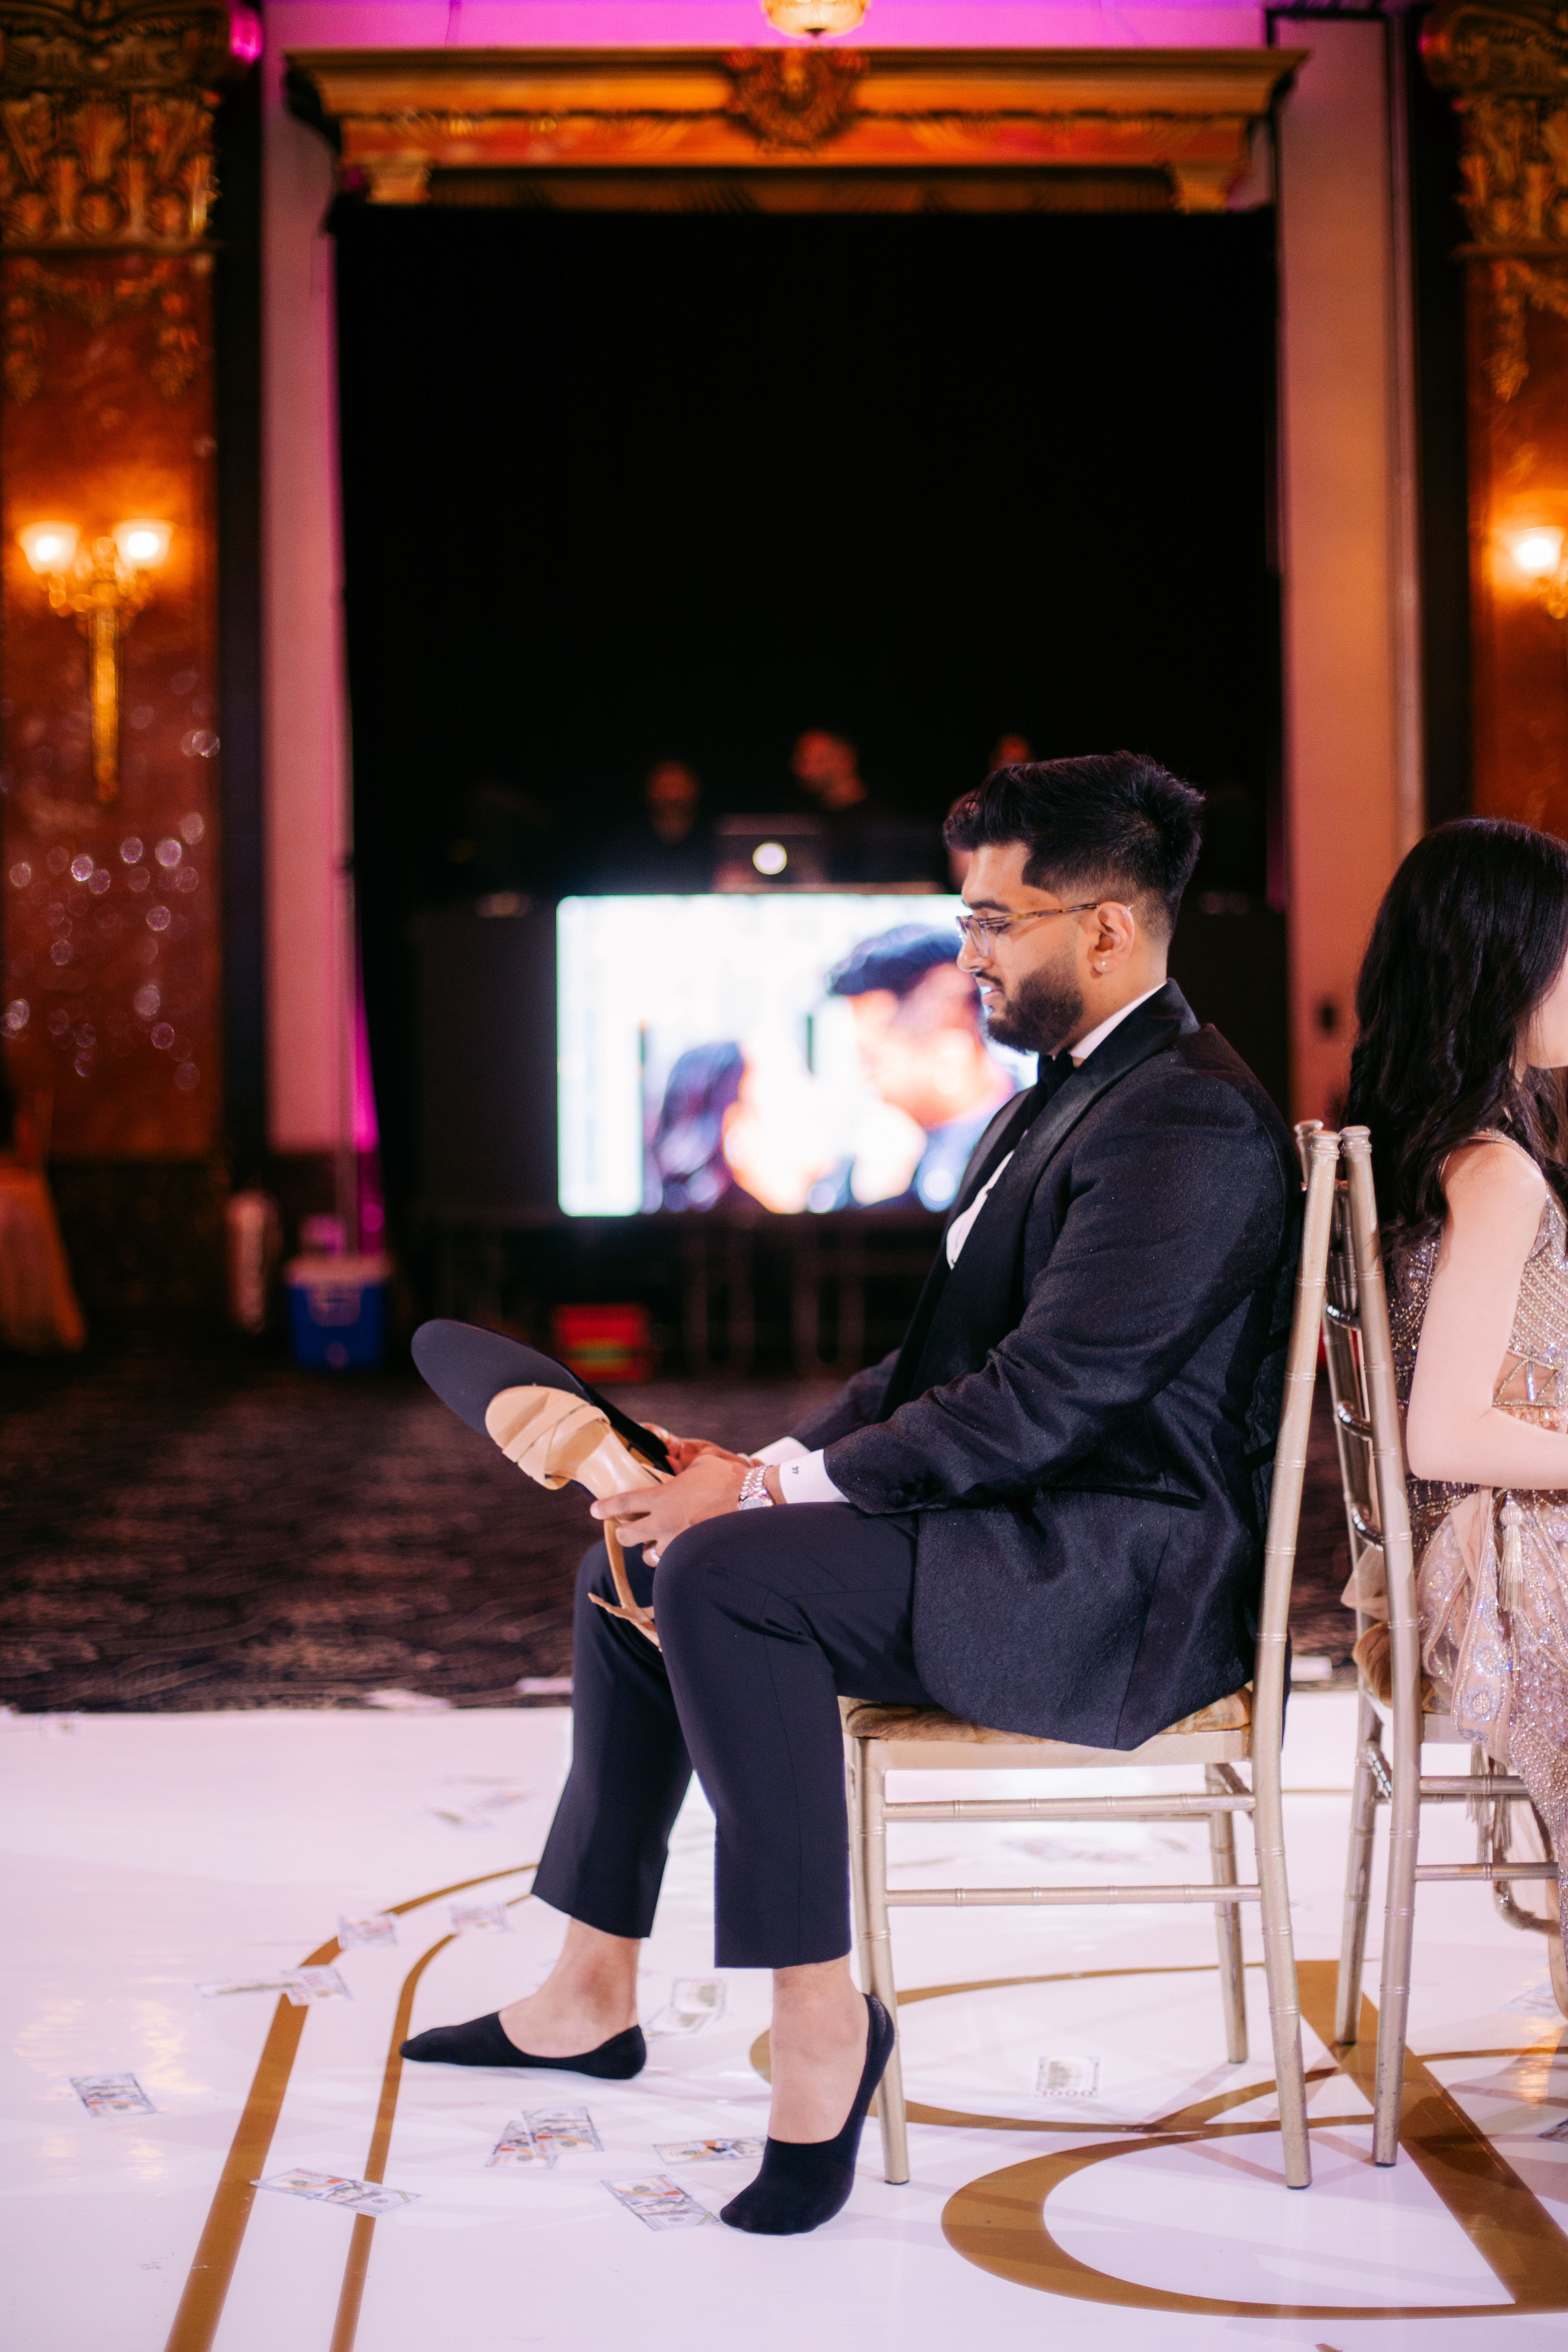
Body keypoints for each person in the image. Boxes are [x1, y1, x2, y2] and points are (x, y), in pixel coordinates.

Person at [401, 752, 1298, 2238]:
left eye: (994, 921)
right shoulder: (1072, 1096)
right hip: (1034, 1521)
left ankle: (823, 2022)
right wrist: (734, 1472)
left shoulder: (1183, 1119)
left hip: (1115, 1576)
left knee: (720, 1575)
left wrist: (761, 1499)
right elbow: (928, 1367)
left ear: (1104, 929)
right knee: (640, 1549)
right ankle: (588, 1991)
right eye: (967, 918)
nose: (970, 951)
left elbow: (1045, 1397)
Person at [1343, 817, 1568, 1949]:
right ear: (1502, 966)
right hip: (1501, 1562)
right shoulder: (1494, 1169)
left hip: (1466, 1545)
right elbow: (1442, 1432)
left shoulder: (1431, 1145)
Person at [818, 925, 1017, 1208]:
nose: (866, 1080)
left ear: (946, 1049)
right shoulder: (898, 1151)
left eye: (872, 1060)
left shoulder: (1034, 1147)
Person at [597, 760, 712, 892]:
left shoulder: (715, 841)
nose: (672, 797)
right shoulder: (625, 844)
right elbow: (602, 891)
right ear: (648, 791)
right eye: (665, 787)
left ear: (696, 790)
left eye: (678, 787)